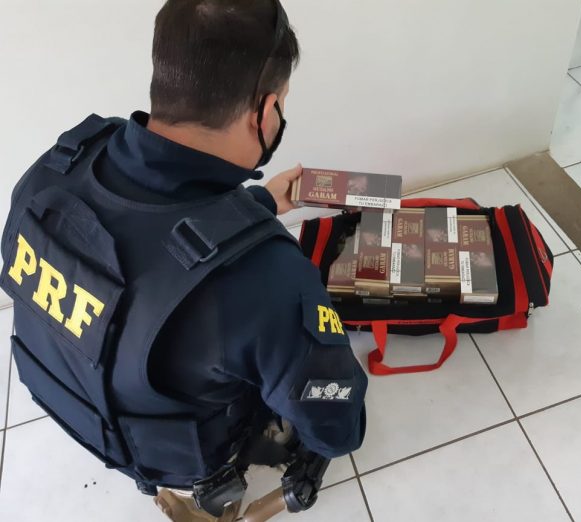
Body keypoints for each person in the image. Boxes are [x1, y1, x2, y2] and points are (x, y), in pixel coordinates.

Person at [0, 1, 367, 521]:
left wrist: (259, 206)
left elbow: (145, 243)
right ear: (264, 113)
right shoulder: (270, 280)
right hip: (180, 457)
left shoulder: (57, 168)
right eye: (281, 105)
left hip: (82, 411)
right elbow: (335, 426)